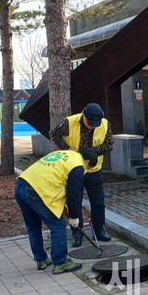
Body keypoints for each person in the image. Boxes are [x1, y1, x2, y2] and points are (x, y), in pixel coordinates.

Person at [14, 148, 98, 274]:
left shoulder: (63, 154)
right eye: (89, 167)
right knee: (58, 226)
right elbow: (74, 193)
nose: (86, 171)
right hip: (37, 191)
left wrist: (63, 207)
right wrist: (74, 217)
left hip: (21, 185)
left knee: (33, 227)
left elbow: (55, 178)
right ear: (86, 161)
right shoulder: (78, 165)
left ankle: (41, 260)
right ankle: (61, 262)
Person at [49, 103, 114, 245]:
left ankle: (99, 229)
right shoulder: (69, 122)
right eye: (90, 123)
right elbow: (53, 134)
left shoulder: (104, 124)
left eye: (95, 124)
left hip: (93, 169)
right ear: (84, 115)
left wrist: (91, 153)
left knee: (98, 201)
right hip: (73, 170)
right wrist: (67, 149)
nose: (92, 126)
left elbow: (109, 144)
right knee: (74, 202)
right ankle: (77, 232)